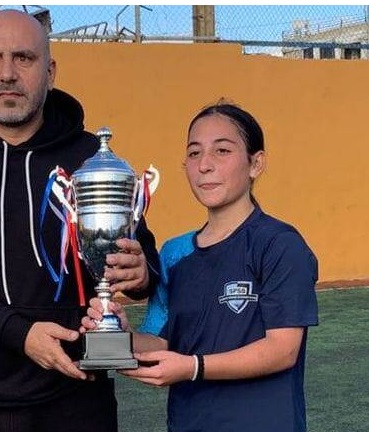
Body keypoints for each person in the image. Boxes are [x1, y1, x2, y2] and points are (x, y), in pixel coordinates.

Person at [0, 9, 159, 432]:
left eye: (23, 57)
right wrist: (19, 334)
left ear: (50, 71)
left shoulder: (91, 161)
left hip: (73, 397)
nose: (7, 73)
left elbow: (141, 255)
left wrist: (139, 272)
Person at [82, 101, 319, 432]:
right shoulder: (174, 253)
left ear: (256, 163)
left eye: (222, 150)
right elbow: (165, 344)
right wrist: (119, 336)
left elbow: (282, 350)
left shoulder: (280, 244)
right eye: (194, 153)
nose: (205, 165)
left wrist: (193, 367)